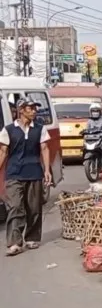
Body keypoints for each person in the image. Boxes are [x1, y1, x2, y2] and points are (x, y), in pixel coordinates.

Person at [0, 98, 52, 256]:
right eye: (30, 108)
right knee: (15, 206)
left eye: (35, 108)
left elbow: (44, 148)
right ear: (21, 110)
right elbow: (3, 151)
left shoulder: (40, 129)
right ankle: (15, 242)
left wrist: (47, 170)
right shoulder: (8, 130)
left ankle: (32, 236)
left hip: (34, 171)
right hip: (14, 173)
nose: (34, 111)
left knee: (34, 207)